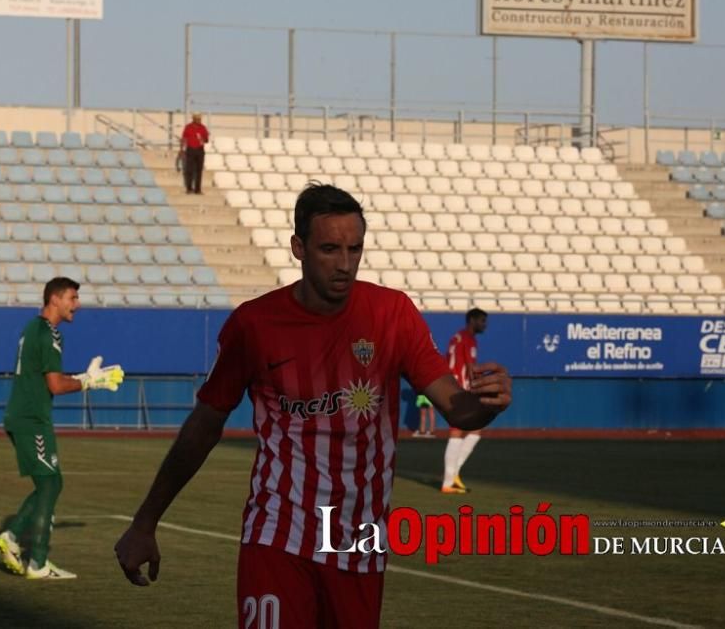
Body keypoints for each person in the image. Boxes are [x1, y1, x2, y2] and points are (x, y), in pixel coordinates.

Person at [114, 183, 512, 628]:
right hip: (279, 532)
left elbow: (457, 409)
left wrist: (486, 405)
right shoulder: (255, 324)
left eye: (354, 249)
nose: (345, 264)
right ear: (298, 248)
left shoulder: (392, 313)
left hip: (359, 543)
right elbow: (205, 423)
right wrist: (146, 521)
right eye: (329, 249)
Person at [0, 277, 124, 581]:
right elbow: (54, 384)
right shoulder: (50, 334)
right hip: (31, 419)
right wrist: (90, 382)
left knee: (49, 484)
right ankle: (35, 562)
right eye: (72, 298)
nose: (76, 305)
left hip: (25, 415)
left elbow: (46, 377)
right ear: (55, 299)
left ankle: (14, 539)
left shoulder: (31, 328)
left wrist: (81, 377)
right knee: (50, 485)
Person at [441, 308, 488, 494]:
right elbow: (470, 368)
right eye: (482, 321)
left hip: (452, 387)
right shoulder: (468, 339)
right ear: (472, 320)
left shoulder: (457, 337)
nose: (484, 325)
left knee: (474, 430)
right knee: (459, 431)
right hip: (460, 390)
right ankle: (448, 481)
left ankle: (453, 476)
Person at [180, 112, 210, 194]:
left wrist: (203, 139)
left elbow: (206, 140)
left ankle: (198, 189)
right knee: (189, 170)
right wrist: (182, 149)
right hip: (190, 150)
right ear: (193, 119)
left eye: (199, 119)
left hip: (200, 150)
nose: (199, 120)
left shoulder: (203, 128)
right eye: (197, 118)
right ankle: (189, 188)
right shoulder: (188, 127)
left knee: (199, 170)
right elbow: (184, 138)